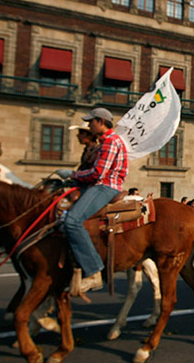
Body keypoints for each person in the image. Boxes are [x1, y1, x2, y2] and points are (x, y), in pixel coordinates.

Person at [64, 107, 128, 293]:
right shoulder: (105, 141)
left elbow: (97, 173)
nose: (89, 125)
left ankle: (93, 272)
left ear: (100, 121)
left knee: (72, 221)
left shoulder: (110, 142)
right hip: (99, 185)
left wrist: (73, 175)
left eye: (91, 122)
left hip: (105, 186)